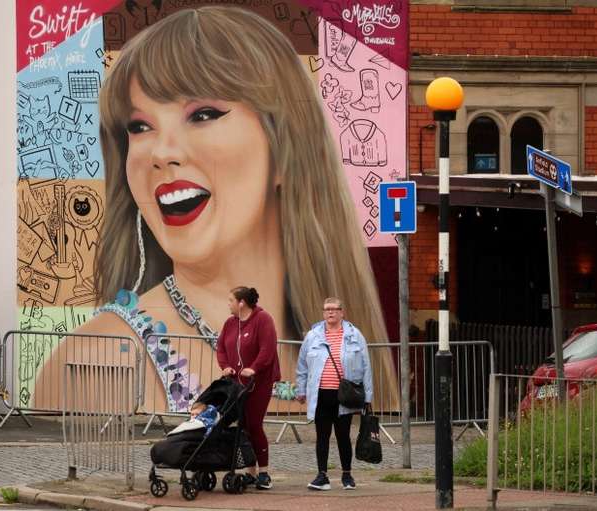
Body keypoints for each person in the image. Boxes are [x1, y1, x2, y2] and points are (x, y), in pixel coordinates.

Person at [35, 6, 397, 420]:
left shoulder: (334, 337)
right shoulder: (96, 357)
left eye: (202, 115)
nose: (163, 152)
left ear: (283, 149)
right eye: (139, 126)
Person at [295, 297, 373, 491]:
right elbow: (302, 365)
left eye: (334, 309)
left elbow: (366, 367)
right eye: (326, 309)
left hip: (343, 395)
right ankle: (322, 475)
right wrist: (301, 389)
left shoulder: (355, 335)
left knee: (343, 436)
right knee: (322, 436)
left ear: (342, 312)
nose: (330, 313)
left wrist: (368, 397)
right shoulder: (313, 336)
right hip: (320, 394)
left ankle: (347, 475)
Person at [213, 286, 279, 489]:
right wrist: (226, 367)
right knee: (243, 426)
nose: (229, 304)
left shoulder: (263, 319)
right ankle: (250, 470)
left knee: (254, 424)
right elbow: (221, 347)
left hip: (258, 383)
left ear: (241, 303)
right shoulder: (230, 323)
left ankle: (264, 472)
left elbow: (267, 350)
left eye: (231, 300)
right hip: (237, 383)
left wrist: (254, 368)